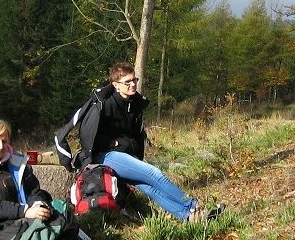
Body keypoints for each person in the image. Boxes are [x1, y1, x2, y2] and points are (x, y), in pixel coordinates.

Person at [55, 61, 222, 223]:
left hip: (123, 156)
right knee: (154, 174)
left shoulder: (133, 103)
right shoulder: (103, 104)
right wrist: (113, 144)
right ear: (116, 85)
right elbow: (87, 135)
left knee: (151, 188)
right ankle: (194, 206)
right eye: (127, 82)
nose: (132, 85)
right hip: (103, 156)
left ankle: (189, 216)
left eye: (134, 80)